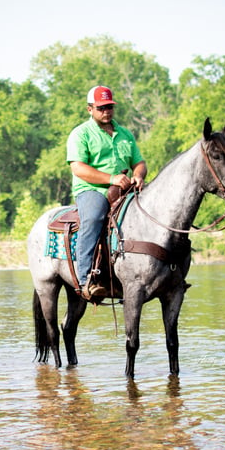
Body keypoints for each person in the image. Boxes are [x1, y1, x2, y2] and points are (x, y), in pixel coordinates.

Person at [66, 85, 147, 300]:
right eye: (101, 107)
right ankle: (85, 279)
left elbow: (138, 162)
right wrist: (111, 179)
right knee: (93, 218)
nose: (106, 111)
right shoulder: (81, 133)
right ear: (89, 109)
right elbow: (78, 168)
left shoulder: (125, 134)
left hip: (125, 189)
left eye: (109, 107)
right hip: (93, 190)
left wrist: (138, 175)